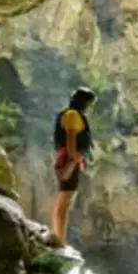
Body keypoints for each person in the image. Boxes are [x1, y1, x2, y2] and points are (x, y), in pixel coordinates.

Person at [51, 87, 97, 244]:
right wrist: (73, 159)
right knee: (65, 199)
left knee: (65, 200)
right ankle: (59, 239)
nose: (89, 107)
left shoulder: (73, 114)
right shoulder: (72, 115)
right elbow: (71, 137)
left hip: (70, 159)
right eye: (89, 103)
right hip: (69, 159)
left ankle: (59, 237)